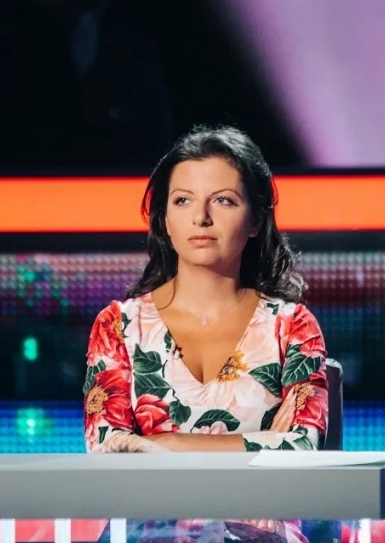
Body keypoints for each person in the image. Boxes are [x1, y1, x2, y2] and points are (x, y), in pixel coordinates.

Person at [83, 125, 329, 542]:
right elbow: (106, 446)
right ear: (164, 219)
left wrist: (161, 444)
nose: (201, 217)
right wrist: (261, 441)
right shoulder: (118, 325)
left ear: (255, 220)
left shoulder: (292, 326)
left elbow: (301, 447)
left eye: (223, 200)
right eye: (183, 200)